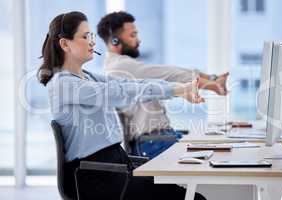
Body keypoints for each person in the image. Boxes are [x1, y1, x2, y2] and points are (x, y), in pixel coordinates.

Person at [38, 11, 206, 200]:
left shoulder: (89, 77)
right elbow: (119, 93)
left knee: (189, 194)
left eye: (92, 35)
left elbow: (128, 84)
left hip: (115, 167)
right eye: (85, 36)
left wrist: (179, 88)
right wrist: (176, 91)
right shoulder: (63, 84)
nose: (92, 41)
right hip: (97, 177)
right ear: (65, 44)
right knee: (192, 197)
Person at [97, 11, 229, 158]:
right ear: (115, 41)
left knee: (217, 151)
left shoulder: (122, 65)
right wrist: (212, 85)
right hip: (153, 143)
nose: (138, 40)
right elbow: (171, 74)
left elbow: (171, 71)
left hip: (159, 139)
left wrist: (212, 78)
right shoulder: (122, 66)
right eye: (133, 35)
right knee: (217, 157)